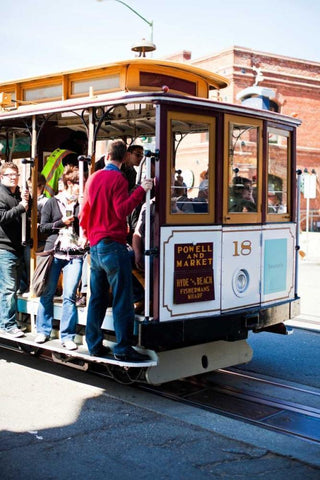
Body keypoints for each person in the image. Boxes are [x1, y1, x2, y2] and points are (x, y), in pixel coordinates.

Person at [79, 139, 153, 362]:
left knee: (97, 299)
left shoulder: (93, 177)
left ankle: (93, 344)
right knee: (122, 299)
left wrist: (87, 234)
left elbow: (84, 213)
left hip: (96, 246)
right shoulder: (118, 178)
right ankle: (122, 348)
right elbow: (121, 211)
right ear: (125, 158)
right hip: (113, 245)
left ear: (107, 156)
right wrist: (141, 190)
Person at [35, 165, 84, 350]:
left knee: (69, 296)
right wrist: (60, 223)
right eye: (79, 183)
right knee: (47, 293)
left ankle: (67, 336)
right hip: (54, 253)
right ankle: (43, 330)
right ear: (69, 183)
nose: (82, 186)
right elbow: (42, 227)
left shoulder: (81, 204)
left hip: (75, 254)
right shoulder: (52, 202)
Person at [0, 162, 29, 337]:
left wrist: (26, 201)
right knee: (9, 289)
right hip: (4, 248)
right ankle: (8, 325)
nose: (13, 177)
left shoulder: (16, 193)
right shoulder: (1, 195)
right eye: (10, 174)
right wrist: (20, 207)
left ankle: (7, 322)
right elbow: (2, 218)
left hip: (16, 247)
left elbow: (25, 210)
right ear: (2, 177)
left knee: (11, 289)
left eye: (15, 174)